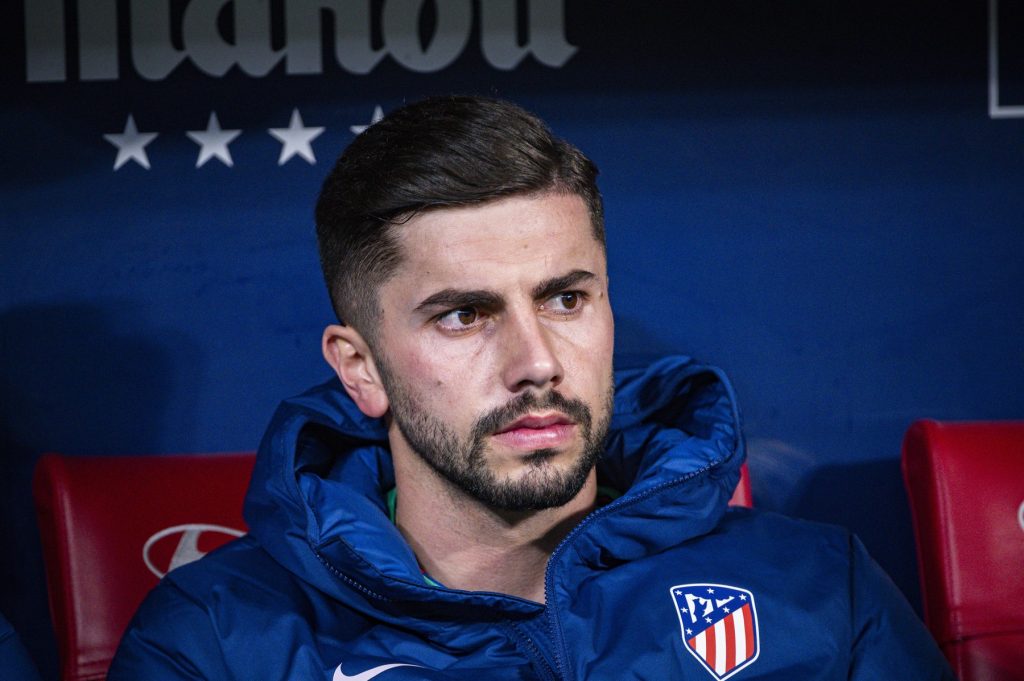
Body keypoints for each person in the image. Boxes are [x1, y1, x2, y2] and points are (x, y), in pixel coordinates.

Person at [109, 96, 952, 680]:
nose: (537, 361)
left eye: (565, 299)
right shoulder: (215, 644)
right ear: (360, 367)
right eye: (464, 315)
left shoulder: (818, 588)